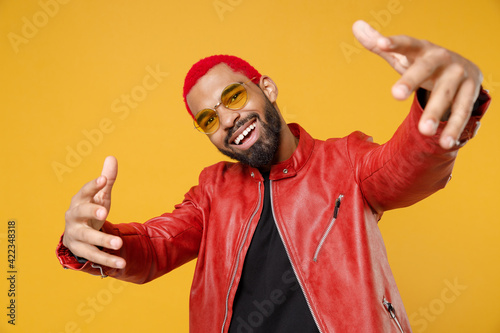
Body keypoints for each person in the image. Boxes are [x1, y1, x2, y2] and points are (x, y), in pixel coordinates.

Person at [56, 21, 490, 332]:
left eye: (233, 96)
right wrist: (95, 241)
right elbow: (153, 247)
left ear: (266, 88)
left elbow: (407, 168)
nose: (226, 120)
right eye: (208, 119)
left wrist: (445, 105)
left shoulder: (345, 161)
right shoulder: (212, 191)